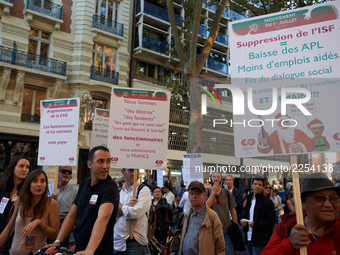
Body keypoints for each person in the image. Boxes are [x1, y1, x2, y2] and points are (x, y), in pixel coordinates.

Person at [47, 146, 119, 255]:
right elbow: (71, 215)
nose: (105, 166)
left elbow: (103, 217)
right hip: (80, 249)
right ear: (89, 164)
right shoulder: (84, 184)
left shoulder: (110, 187)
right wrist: (57, 241)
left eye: (108, 161)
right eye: (100, 161)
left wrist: (90, 249)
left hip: (99, 251)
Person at [262, 172, 340, 254]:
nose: (328, 204)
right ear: (304, 202)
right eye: (320, 198)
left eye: (333, 198)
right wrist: (290, 244)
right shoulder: (286, 227)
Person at [0, 169, 59, 255]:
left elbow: (54, 235)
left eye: (42, 181)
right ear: (28, 184)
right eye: (35, 181)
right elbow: (9, 228)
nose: (39, 185)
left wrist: (40, 223)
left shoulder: (51, 204)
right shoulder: (20, 202)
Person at [179, 181, 225, 255]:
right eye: (191, 193)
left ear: (204, 196)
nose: (194, 196)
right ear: (188, 197)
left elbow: (220, 246)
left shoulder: (212, 216)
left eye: (198, 193)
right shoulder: (187, 214)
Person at [114, 168, 151, 254]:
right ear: (123, 172)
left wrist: (119, 206)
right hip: (117, 242)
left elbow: (135, 213)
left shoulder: (143, 190)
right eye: (130, 170)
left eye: (136, 170)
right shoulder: (119, 191)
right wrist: (127, 208)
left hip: (135, 242)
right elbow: (112, 214)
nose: (135, 173)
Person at [241, 177, 276, 255]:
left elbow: (271, 221)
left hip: (260, 240)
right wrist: (242, 220)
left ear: (263, 187)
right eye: (255, 184)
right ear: (252, 185)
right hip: (248, 237)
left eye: (259, 185)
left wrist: (256, 224)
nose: (257, 186)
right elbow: (246, 214)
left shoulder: (267, 202)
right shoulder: (249, 199)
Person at [206, 172, 238, 255]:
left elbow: (233, 210)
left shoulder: (227, 193)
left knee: (228, 251)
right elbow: (206, 208)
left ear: (221, 179)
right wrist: (213, 192)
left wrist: (235, 225)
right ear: (211, 179)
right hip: (211, 229)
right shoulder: (207, 193)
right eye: (214, 177)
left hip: (226, 228)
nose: (216, 179)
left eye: (218, 177)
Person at [0, 154, 31, 233]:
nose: (25, 169)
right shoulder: (3, 187)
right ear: (13, 167)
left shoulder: (29, 190)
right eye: (21, 166)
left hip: (16, 233)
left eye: (27, 167)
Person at [50, 166, 78, 250]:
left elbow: (76, 212)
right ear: (57, 172)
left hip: (63, 228)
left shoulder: (75, 190)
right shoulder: (48, 187)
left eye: (69, 172)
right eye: (64, 171)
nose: (66, 174)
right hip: (48, 227)